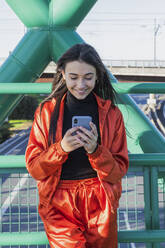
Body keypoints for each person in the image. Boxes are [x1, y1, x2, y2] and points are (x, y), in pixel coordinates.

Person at [25, 43, 129, 248]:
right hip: (58, 203)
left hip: (100, 200)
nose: (81, 84)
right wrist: (60, 148)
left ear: (98, 75)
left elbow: (117, 172)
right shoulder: (46, 112)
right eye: (73, 77)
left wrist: (95, 151)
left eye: (88, 77)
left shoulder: (112, 114)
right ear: (62, 74)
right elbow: (35, 169)